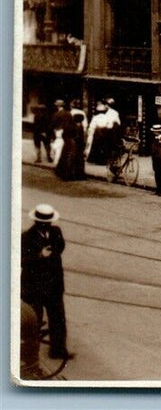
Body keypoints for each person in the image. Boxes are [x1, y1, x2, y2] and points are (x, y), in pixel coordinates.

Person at [20, 204, 71, 361]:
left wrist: (52, 250)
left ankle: (58, 350)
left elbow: (60, 245)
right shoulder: (27, 237)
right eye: (44, 223)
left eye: (48, 222)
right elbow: (23, 261)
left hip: (53, 286)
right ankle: (31, 356)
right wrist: (40, 255)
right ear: (37, 222)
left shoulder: (55, 232)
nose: (46, 225)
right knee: (34, 321)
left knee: (58, 318)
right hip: (34, 287)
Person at [55, 108, 86, 181]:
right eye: (79, 121)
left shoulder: (77, 126)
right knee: (70, 159)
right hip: (72, 145)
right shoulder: (71, 126)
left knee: (74, 159)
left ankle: (76, 174)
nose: (79, 123)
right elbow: (67, 135)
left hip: (75, 145)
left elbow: (80, 136)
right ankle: (67, 175)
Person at [86, 100, 121, 165]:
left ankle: (98, 160)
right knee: (105, 147)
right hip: (106, 133)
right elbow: (110, 125)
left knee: (99, 147)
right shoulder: (106, 116)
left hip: (102, 133)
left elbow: (92, 126)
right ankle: (104, 160)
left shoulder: (96, 117)